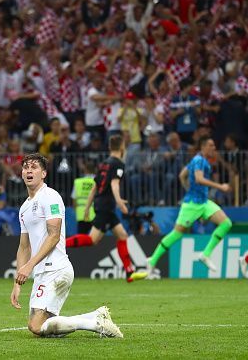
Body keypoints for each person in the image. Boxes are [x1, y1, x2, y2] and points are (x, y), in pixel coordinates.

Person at [10, 153, 123, 338]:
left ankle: (96, 324)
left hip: (56, 269)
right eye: (25, 167)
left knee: (36, 326)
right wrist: (17, 283)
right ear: (22, 174)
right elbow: (24, 247)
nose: (29, 170)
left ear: (44, 173)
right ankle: (95, 316)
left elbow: (54, 236)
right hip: (42, 273)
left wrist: (29, 265)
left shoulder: (51, 197)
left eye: (34, 167)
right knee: (48, 329)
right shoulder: (24, 208)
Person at [65, 135, 147, 283]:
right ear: (122, 147)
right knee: (92, 239)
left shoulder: (104, 164)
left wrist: (87, 207)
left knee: (122, 235)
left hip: (103, 205)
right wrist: (120, 202)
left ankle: (129, 272)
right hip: (106, 206)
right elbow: (114, 184)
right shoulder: (118, 164)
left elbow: (95, 187)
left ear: (110, 147)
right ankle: (60, 244)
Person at [147, 136, 233, 277]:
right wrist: (220, 187)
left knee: (226, 223)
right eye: (211, 145)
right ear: (203, 147)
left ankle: (205, 254)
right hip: (192, 204)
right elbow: (199, 179)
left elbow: (182, 175)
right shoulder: (199, 160)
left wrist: (189, 190)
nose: (214, 148)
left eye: (214, 145)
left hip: (203, 202)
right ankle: (152, 260)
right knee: (177, 233)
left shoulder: (198, 160)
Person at [71, 162, 96, 234]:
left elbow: (74, 198)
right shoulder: (97, 181)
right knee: (94, 239)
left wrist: (75, 209)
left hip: (81, 213)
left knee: (81, 238)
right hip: (95, 213)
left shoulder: (78, 182)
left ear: (85, 170)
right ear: (95, 170)